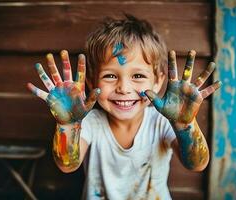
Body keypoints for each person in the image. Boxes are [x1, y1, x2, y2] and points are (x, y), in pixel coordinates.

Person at [27, 15, 221, 200]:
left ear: (158, 82)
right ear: (91, 82)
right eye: (110, 76)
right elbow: (67, 165)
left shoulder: (162, 123)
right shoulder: (91, 123)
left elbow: (196, 164)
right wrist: (68, 125)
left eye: (138, 76)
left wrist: (185, 125)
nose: (124, 89)